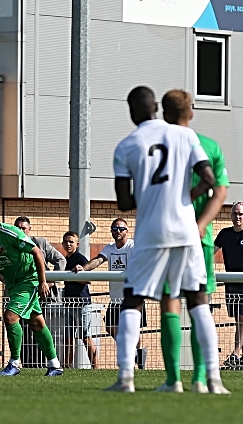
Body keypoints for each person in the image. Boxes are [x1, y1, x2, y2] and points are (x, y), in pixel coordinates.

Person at [106, 85, 227, 394]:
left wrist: (147, 195)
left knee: (133, 300)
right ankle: (212, 379)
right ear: (156, 108)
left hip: (151, 233)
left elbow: (123, 202)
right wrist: (188, 196)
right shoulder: (185, 135)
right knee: (199, 300)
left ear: (133, 112)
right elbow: (210, 180)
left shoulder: (126, 146)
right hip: (187, 231)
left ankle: (126, 378)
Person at [156, 89, 230, 393]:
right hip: (200, 239)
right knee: (201, 304)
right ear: (192, 113)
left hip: (168, 236)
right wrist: (201, 225)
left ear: (164, 114)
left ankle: (173, 379)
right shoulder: (209, 146)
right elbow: (221, 191)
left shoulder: (157, 147)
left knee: (170, 303)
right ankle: (201, 378)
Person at [0, 200, 63, 376]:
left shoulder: (9, 232)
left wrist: (43, 281)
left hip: (29, 280)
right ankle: (55, 365)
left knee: (10, 316)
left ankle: (14, 363)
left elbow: (36, 252)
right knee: (37, 323)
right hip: (13, 285)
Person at [71, 218, 145, 368]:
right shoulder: (110, 248)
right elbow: (98, 260)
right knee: (110, 327)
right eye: (114, 228)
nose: (118, 231)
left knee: (133, 329)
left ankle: (138, 358)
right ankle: (132, 352)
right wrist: (83, 269)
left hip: (133, 295)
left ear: (127, 230)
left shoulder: (133, 246)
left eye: (121, 228)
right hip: (116, 298)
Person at [61, 231, 97, 369]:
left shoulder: (81, 259)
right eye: (66, 241)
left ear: (77, 244)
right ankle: (66, 367)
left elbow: (88, 279)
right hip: (68, 303)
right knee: (68, 338)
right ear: (63, 244)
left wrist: (75, 274)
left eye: (71, 241)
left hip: (82, 304)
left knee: (85, 337)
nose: (68, 244)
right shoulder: (65, 260)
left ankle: (96, 368)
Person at [216, 202, 243, 369]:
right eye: (235, 213)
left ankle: (236, 353)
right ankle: (238, 354)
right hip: (232, 284)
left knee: (241, 319)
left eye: (240, 214)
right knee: (238, 320)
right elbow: (208, 252)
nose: (237, 217)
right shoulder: (225, 234)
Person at [14, 216, 66, 300]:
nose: (20, 231)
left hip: (44, 292)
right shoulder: (10, 246)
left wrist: (51, 281)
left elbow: (60, 260)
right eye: (17, 228)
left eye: (23, 228)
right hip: (20, 291)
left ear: (29, 229)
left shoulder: (41, 243)